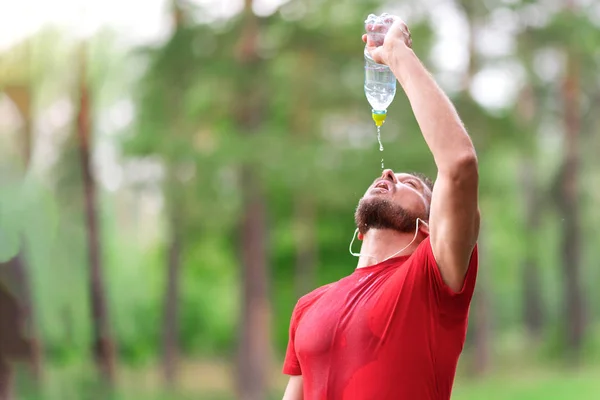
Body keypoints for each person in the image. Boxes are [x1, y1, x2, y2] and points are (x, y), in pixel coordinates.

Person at [281, 15, 480, 400]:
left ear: (429, 226)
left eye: (411, 184)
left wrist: (397, 54)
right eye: (392, 176)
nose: (389, 172)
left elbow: (458, 164)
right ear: (360, 230)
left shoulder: (431, 280)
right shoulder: (309, 305)